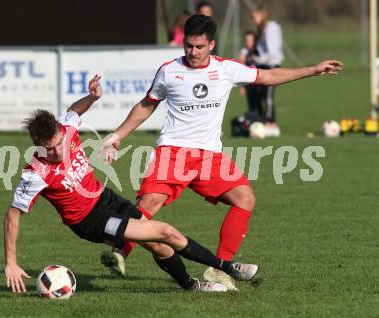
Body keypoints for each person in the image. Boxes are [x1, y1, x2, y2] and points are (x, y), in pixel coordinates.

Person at [99, 14, 343, 290]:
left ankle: (219, 268)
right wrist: (118, 135)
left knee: (245, 198)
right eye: (189, 46)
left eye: (199, 46)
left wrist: (312, 70)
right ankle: (120, 252)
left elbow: (268, 76)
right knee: (148, 205)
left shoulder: (227, 69)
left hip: (209, 157)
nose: (193, 52)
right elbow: (147, 104)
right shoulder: (169, 71)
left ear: (212, 44)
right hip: (173, 151)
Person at [3, 75, 259, 294]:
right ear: (37, 145)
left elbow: (74, 111)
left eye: (59, 143)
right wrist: (10, 263)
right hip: (91, 221)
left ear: (61, 131)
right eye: (49, 148)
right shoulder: (35, 174)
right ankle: (228, 267)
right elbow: (13, 215)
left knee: (158, 245)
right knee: (165, 232)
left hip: (106, 199)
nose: (58, 151)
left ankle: (191, 285)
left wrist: (92, 97)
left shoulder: (67, 127)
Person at [251, 5, 285, 137]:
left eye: (254, 17)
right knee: (261, 95)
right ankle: (262, 121)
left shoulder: (271, 28)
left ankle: (271, 123)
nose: (253, 20)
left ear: (262, 15)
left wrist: (258, 59)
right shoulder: (264, 29)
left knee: (268, 97)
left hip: (272, 66)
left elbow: (272, 52)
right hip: (265, 65)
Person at [238, 30, 263, 118]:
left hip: (261, 81)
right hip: (250, 83)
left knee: (261, 102)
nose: (249, 43)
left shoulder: (259, 51)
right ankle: (254, 121)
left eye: (251, 40)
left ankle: (263, 120)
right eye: (247, 40)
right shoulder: (244, 51)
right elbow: (240, 69)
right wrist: (242, 86)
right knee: (251, 103)